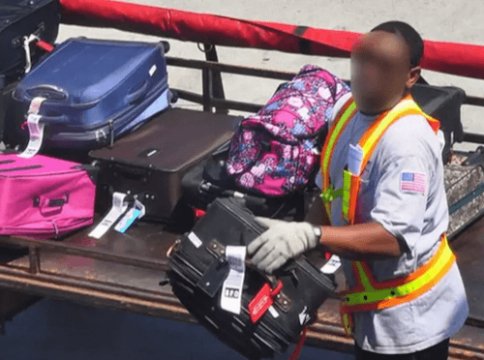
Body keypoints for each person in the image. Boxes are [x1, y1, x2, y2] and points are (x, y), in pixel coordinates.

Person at [247, 21, 469, 359]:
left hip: (411, 320)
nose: (366, 74)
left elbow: (393, 238)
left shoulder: (405, 142)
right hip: (368, 310)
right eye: (360, 61)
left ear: (411, 76)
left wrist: (311, 235)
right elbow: (330, 193)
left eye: (381, 67)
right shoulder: (346, 112)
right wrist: (300, 264)